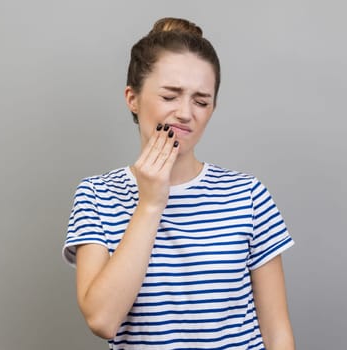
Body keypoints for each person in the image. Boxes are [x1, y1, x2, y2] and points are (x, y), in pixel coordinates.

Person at [62, 17, 295, 350]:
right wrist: (150, 203)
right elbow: (102, 319)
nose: (186, 113)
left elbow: (278, 334)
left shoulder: (248, 195)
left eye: (201, 101)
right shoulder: (97, 196)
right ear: (133, 98)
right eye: (170, 96)